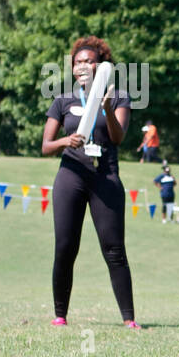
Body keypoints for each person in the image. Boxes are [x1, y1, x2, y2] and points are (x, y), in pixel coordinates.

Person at [41, 35, 139, 330]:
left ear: (101, 66)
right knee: (66, 247)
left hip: (105, 177)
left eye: (89, 61)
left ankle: (129, 319)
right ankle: (60, 315)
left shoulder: (119, 96)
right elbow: (46, 145)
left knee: (114, 249)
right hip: (70, 175)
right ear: (72, 69)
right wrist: (65, 141)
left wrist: (107, 108)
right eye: (78, 62)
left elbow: (118, 137)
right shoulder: (63, 100)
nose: (83, 65)